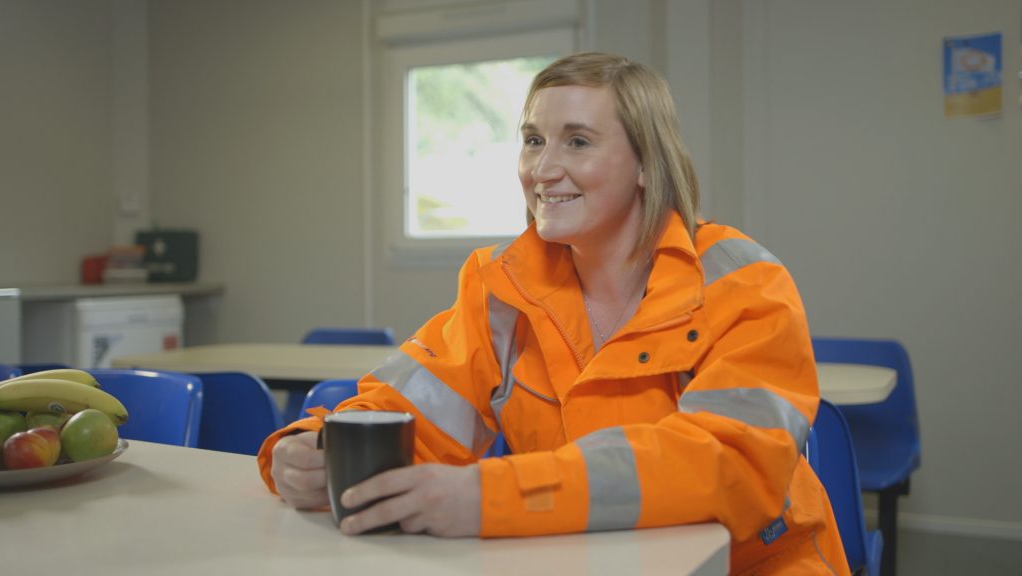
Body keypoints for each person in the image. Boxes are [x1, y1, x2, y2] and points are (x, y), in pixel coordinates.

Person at [258, 52, 850, 574]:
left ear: (647, 163)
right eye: (534, 139)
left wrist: (487, 499)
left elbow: (728, 467)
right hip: (581, 558)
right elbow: (405, 407)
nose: (541, 170)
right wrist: (313, 447)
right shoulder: (501, 289)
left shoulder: (745, 282)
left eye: (578, 141)